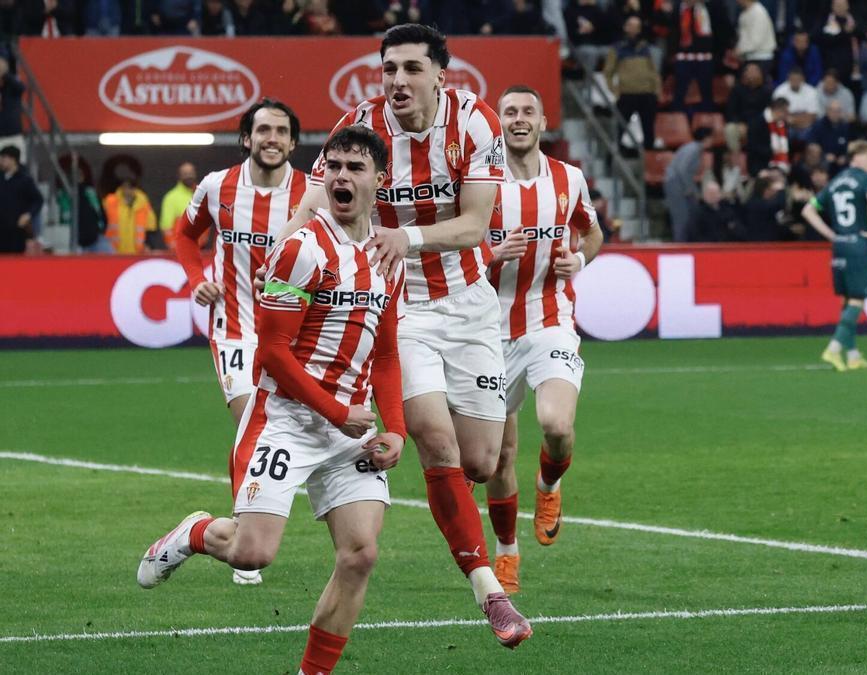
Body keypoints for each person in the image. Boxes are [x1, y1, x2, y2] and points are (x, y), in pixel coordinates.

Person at [278, 23, 531, 647]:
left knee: (481, 460)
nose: (398, 80)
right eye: (389, 68)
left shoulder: (475, 123)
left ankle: (461, 506)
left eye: (412, 68)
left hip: (469, 303)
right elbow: (312, 203)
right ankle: (490, 593)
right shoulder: (359, 125)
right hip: (398, 304)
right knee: (436, 441)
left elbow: (475, 226)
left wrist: (407, 236)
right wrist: (281, 254)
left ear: (441, 74)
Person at [138, 125, 406, 675]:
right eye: (333, 167)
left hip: (349, 431)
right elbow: (274, 354)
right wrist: (338, 412)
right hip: (285, 418)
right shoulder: (299, 249)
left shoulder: (387, 257)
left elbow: (386, 355)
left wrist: (397, 428)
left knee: (361, 554)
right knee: (252, 552)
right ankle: (193, 533)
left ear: (380, 180)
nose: (340, 177)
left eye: (355, 168)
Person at [174, 100, 307, 584]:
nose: (272, 138)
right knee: (253, 418)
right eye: (263, 130)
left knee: (283, 429)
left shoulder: (312, 193)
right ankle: (242, 529)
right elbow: (185, 236)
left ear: (293, 142)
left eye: (281, 131)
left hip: (294, 335)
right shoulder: (217, 186)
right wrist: (197, 280)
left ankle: (237, 530)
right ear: (247, 138)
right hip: (234, 326)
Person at [482, 85, 604, 594]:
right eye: (509, 112)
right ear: (499, 123)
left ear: (542, 121)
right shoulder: (480, 183)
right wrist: (492, 257)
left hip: (548, 320)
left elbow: (591, 232)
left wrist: (580, 259)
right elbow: (452, 256)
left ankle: (549, 484)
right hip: (486, 333)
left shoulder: (568, 179)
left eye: (527, 111)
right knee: (497, 457)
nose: (518, 119)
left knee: (556, 424)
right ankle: (507, 551)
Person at [800, 140, 867, 371]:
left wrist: (831, 235)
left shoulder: (835, 182)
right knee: (857, 299)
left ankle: (853, 355)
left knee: (847, 300)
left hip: (840, 246)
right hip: (858, 243)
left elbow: (807, 210)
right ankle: (834, 348)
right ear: (858, 156)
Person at [605, 14, 661, 150]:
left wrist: (657, 91)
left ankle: (648, 156)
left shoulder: (646, 48)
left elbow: (653, 71)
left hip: (647, 94)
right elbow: (608, 72)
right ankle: (612, 156)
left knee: (649, 130)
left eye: (637, 26)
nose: (634, 29)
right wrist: (615, 91)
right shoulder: (617, 48)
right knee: (619, 129)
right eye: (631, 25)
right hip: (626, 94)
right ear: (625, 27)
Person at [664, 127, 710, 241]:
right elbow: (682, 169)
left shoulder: (694, 148)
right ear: (707, 138)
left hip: (680, 184)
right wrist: (692, 190)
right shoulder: (693, 149)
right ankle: (679, 245)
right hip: (676, 184)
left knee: (692, 213)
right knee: (681, 218)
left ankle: (690, 242)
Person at [102, 161, 157, 254]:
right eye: (125, 186)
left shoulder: (143, 203)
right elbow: (100, 222)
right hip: (113, 251)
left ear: (135, 188)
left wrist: (149, 245)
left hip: (137, 252)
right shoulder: (110, 201)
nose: (127, 190)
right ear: (121, 187)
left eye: (130, 187)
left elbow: (151, 226)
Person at [0, 145, 41, 254]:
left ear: (13, 160)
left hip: (16, 230)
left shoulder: (25, 180)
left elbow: (38, 200)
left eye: (3, 158)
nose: (1, 161)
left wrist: (28, 214)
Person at [158, 161, 197, 249]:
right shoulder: (171, 197)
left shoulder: (201, 194)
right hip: (181, 249)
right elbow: (166, 226)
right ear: (179, 176)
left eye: (191, 173)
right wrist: (174, 247)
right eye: (185, 173)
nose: (189, 176)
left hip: (202, 249)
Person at [734, 0, 775, 75]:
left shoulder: (758, 12)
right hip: (749, 57)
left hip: (760, 58)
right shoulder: (745, 12)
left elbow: (756, 40)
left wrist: (739, 50)